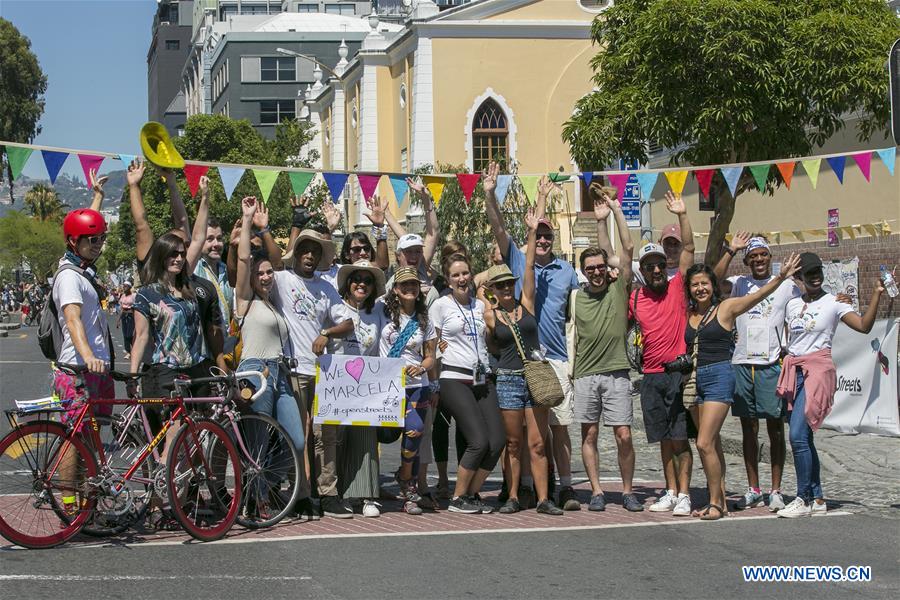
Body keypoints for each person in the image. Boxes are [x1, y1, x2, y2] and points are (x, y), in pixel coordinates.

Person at [484, 164, 581, 510]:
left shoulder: (566, 270)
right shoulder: (519, 266)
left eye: (546, 236)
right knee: (519, 438)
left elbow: (578, 311)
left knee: (558, 430)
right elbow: (501, 230)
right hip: (518, 367)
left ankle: (562, 488)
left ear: (552, 240)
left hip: (553, 360)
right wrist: (490, 193)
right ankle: (522, 488)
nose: (541, 239)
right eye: (536, 235)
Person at [683, 255, 801, 520]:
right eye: (694, 285)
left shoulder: (725, 308)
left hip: (720, 377)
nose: (700, 288)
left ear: (713, 285)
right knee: (711, 444)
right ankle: (720, 500)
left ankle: (715, 503)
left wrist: (780, 277)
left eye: (705, 283)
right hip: (694, 379)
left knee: (703, 443)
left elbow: (756, 298)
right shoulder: (689, 314)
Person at [775, 253, 887, 518]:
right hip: (794, 371)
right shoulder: (791, 304)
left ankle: (802, 498)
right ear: (799, 277)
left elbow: (863, 326)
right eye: (809, 273)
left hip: (818, 370)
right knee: (805, 436)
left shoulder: (834, 302)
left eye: (818, 272)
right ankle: (818, 497)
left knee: (797, 436)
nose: (815, 277)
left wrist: (877, 294)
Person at [270, 229, 354, 519]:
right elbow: (267, 261)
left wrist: (326, 332)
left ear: (320, 258)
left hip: (323, 370)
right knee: (298, 435)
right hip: (293, 369)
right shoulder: (281, 280)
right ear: (296, 253)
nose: (309, 255)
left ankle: (328, 492)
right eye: (305, 250)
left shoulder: (327, 288)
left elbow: (348, 323)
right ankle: (301, 493)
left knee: (326, 435)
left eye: (315, 252)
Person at [484, 208, 563, 516]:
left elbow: (528, 264)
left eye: (508, 284)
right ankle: (514, 496)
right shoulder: (490, 314)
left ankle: (544, 499)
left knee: (538, 442)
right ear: (493, 289)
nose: (506, 289)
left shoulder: (525, 303)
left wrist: (532, 232)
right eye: (500, 285)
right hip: (507, 379)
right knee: (513, 444)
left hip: (535, 377)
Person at [713, 233, 799, 512]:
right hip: (742, 363)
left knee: (775, 428)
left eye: (763, 254)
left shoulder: (787, 286)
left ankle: (776, 489)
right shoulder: (739, 284)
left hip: (771, 363)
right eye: (753, 256)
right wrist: (730, 250)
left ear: (770, 257)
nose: (759, 259)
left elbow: (803, 309)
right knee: (748, 429)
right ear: (747, 260)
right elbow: (714, 281)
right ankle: (753, 488)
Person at [233, 196, 306, 517]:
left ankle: (264, 487)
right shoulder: (245, 301)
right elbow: (243, 259)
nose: (266, 276)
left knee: (296, 441)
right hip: (254, 372)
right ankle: (255, 499)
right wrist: (248, 220)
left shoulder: (274, 303)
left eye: (268, 273)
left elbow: (282, 259)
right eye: (260, 273)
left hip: (280, 374)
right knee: (257, 442)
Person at [570, 188, 642, 513]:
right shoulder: (577, 297)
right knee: (590, 435)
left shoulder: (618, 289)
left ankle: (627, 491)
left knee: (624, 435)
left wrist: (611, 213)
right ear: (583, 272)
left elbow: (626, 249)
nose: (597, 271)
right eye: (591, 268)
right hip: (585, 375)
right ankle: (597, 490)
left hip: (617, 373)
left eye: (600, 266)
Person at [629, 191, 695, 517]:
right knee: (663, 439)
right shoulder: (636, 298)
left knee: (680, 437)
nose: (656, 270)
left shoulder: (677, 286)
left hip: (676, 373)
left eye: (659, 264)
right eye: (649, 265)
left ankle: (685, 494)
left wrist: (682, 215)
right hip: (651, 377)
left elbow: (690, 251)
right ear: (642, 269)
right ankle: (670, 490)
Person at [430, 254, 505, 514]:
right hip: (453, 377)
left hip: (481, 377)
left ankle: (472, 493)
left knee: (497, 441)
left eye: (465, 273)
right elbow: (433, 344)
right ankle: (457, 496)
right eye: (455, 275)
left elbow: (489, 343)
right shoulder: (441, 305)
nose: (462, 279)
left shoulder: (479, 305)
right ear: (448, 280)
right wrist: (434, 384)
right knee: (478, 441)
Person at [51, 208, 115, 517]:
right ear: (73, 242)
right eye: (91, 239)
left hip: (97, 370)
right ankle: (69, 509)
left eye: (101, 238)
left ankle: (87, 508)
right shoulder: (67, 277)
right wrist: (88, 356)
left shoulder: (84, 272)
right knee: (74, 441)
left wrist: (98, 197)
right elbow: (72, 319)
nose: (98, 244)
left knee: (90, 443)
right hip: (78, 370)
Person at [380, 267, 438, 515]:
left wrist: (422, 369)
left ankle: (409, 488)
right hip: (388, 386)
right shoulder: (382, 313)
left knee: (413, 434)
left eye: (413, 285)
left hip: (417, 386)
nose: (409, 289)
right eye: (404, 285)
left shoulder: (425, 320)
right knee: (414, 429)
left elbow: (430, 357)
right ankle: (406, 481)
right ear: (395, 289)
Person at [332, 259, 387, 517]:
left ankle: (366, 495)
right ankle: (340, 493)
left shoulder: (378, 312)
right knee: (337, 440)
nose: (361, 284)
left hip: (368, 384)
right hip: (336, 383)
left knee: (366, 440)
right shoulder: (335, 307)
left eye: (367, 280)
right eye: (357, 279)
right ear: (347, 283)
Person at [117, 280, 136, 359]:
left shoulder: (134, 296)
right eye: (123, 286)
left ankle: (135, 350)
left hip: (131, 316)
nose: (124, 287)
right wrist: (118, 320)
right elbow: (121, 308)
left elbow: (136, 307)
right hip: (124, 315)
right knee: (125, 335)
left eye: (125, 286)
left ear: (129, 287)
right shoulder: (123, 296)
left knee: (129, 335)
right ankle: (128, 352)